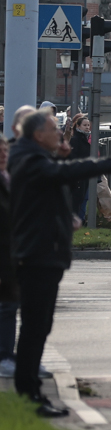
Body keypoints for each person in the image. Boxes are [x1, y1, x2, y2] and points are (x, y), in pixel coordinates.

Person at [9, 109, 111, 416]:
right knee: (35, 326)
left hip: (42, 252)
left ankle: (29, 390)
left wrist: (63, 218)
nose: (59, 133)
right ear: (38, 135)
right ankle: (28, 392)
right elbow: (60, 175)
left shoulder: (32, 156)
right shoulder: (30, 159)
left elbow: (52, 188)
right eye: (53, 130)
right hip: (38, 255)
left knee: (39, 326)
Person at [0, 132, 16, 380]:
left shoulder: (8, 178)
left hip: (11, 255)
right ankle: (4, 357)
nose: (3, 155)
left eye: (4, 150)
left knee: (10, 306)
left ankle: (7, 356)